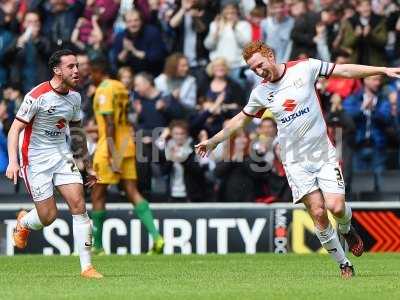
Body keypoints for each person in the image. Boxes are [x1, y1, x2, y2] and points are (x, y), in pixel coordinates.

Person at [195, 40, 400, 278]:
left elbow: (344, 70)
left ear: (270, 55)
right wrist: (213, 141)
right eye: (253, 70)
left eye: (260, 64)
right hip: (294, 160)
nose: (259, 71)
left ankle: (345, 228)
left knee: (336, 207)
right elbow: (240, 120)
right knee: (318, 212)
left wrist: (382, 70)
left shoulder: (304, 67)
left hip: (322, 153)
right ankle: (344, 264)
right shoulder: (261, 92)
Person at [5, 49, 102, 279]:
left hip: (62, 156)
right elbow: (15, 129)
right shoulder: (37, 95)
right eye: (71, 66)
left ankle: (87, 267)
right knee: (48, 217)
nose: (77, 70)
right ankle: (24, 221)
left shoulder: (75, 98)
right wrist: (13, 161)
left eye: (77, 66)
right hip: (35, 160)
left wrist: (87, 166)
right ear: (57, 70)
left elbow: (77, 133)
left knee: (79, 205)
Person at [90, 59, 164, 255]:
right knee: (132, 191)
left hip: (110, 147)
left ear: (99, 71)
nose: (89, 76)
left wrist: (113, 155)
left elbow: (110, 123)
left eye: (91, 72)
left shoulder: (104, 89)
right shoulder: (121, 87)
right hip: (127, 145)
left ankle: (97, 246)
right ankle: (157, 237)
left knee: (97, 193)